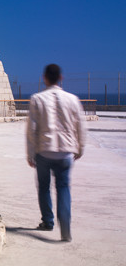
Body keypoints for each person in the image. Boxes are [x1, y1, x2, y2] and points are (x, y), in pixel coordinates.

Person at [26, 63, 86, 242]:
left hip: (44, 151)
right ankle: (65, 229)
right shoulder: (73, 99)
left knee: (44, 188)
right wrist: (80, 148)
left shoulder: (37, 99)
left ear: (44, 78)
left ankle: (48, 222)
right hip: (66, 152)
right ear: (61, 78)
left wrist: (30, 153)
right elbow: (80, 126)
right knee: (63, 188)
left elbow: (32, 130)